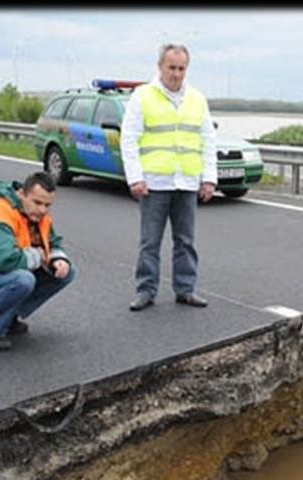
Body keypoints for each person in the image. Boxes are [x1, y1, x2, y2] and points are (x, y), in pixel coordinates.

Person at [120, 43, 217, 311]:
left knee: (186, 241)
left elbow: (207, 140)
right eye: (171, 67)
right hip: (154, 183)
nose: (176, 73)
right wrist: (135, 178)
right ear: (160, 67)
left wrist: (209, 179)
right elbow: (129, 139)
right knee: (150, 241)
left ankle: (186, 289)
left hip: (186, 182)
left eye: (181, 68)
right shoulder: (143, 96)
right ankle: (145, 291)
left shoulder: (197, 99)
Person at [0, 171, 76, 351]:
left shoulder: (39, 216)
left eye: (47, 205)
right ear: (21, 194)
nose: (42, 210)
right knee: (23, 280)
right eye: (37, 202)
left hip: (4, 271)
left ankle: (7, 317)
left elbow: (53, 242)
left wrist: (58, 259)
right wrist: (38, 256)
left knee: (66, 273)